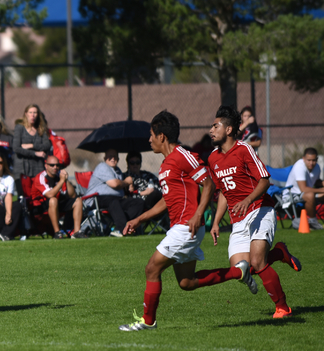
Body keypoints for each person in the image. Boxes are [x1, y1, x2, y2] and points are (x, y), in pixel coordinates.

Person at [119, 110, 257, 332]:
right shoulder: (166, 165)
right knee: (187, 283)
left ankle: (147, 322)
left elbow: (209, 184)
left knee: (152, 269)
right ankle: (239, 271)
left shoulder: (183, 155)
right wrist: (139, 218)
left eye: (151, 135)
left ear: (162, 136)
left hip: (187, 227)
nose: (149, 140)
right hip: (183, 227)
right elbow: (167, 200)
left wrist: (197, 214)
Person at [209, 105, 300, 319]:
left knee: (258, 262)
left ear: (229, 129)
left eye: (215, 126)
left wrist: (248, 199)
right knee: (240, 269)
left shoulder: (244, 150)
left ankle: (282, 308)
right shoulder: (213, 158)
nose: (211, 130)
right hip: (238, 219)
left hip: (261, 209)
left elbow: (265, 180)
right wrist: (215, 222)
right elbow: (223, 192)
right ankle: (279, 253)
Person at [85, 149, 144, 237]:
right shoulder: (102, 167)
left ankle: (125, 227)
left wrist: (129, 185)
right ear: (105, 158)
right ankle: (121, 229)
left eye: (115, 157)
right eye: (110, 157)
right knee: (113, 202)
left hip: (115, 199)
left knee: (138, 202)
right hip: (97, 199)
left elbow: (121, 186)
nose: (113, 159)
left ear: (118, 159)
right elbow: (115, 184)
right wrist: (127, 182)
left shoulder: (118, 170)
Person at [31, 156, 87, 239]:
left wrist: (66, 180)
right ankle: (57, 233)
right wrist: (61, 181)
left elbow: (72, 195)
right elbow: (50, 195)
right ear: (46, 166)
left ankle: (77, 232)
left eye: (57, 165)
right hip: (41, 206)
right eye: (52, 165)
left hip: (57, 203)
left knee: (78, 200)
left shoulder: (59, 176)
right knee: (53, 200)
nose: (55, 167)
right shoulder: (41, 177)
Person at [283, 147, 324, 230]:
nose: (311, 163)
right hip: (291, 196)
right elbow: (304, 189)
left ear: (316, 159)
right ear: (303, 158)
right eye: (309, 160)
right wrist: (321, 190)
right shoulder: (299, 166)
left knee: (312, 195)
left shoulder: (317, 167)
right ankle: (313, 222)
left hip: (305, 194)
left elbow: (315, 181)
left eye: (313, 160)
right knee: (310, 195)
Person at [12, 104, 51, 180]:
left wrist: (32, 145)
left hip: (38, 169)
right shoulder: (19, 127)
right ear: (26, 114)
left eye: (35, 112)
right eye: (30, 112)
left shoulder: (41, 128)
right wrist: (35, 153)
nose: (32, 115)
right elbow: (16, 148)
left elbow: (47, 145)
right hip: (22, 169)